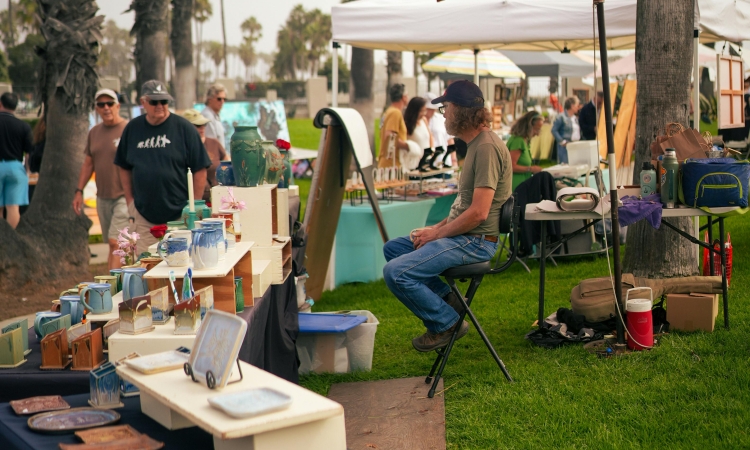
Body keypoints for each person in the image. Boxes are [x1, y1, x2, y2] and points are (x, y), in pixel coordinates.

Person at [382, 80, 512, 352]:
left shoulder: (486, 147)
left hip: (476, 241)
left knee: (396, 272)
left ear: (463, 111)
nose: (443, 115)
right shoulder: (476, 144)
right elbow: (464, 206)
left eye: (446, 108)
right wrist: (434, 229)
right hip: (466, 236)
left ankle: (446, 322)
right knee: (394, 249)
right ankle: (449, 300)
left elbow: (478, 213)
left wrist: (438, 233)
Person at [114, 80, 211, 255]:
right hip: (144, 216)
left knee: (181, 263)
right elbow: (124, 166)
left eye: (164, 101)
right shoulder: (133, 129)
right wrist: (130, 202)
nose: (160, 106)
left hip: (180, 215)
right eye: (154, 102)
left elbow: (200, 168)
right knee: (147, 264)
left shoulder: (184, 129)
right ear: (143, 103)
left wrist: (193, 206)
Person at [73, 89, 129, 269]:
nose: (106, 108)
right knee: (115, 245)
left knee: (116, 242)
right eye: (101, 104)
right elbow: (88, 164)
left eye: (110, 103)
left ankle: (113, 288)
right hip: (103, 197)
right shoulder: (94, 132)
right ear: (96, 108)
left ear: (118, 106)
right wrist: (79, 191)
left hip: (125, 196)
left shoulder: (129, 129)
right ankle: (125, 281)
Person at [181, 109, 228, 202]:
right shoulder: (179, 147)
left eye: (204, 124)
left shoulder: (214, 143)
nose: (202, 128)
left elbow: (227, 163)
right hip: (188, 201)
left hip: (215, 199)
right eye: (198, 125)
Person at [0, 92, 32, 229]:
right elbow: (30, 151)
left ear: (0, 104)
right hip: (16, 167)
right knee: (13, 208)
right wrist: (27, 170)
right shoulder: (24, 126)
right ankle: (13, 242)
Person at [507, 111, 543, 190]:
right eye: (536, 129)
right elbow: (511, 166)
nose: (537, 134)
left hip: (523, 186)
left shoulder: (525, 141)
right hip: (515, 187)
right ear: (529, 126)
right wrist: (530, 169)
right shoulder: (518, 141)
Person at [378, 83, 410, 168]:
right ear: (403, 97)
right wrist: (408, 146)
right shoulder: (395, 113)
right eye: (407, 95)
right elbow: (389, 136)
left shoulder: (388, 111)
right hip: (391, 165)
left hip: (388, 163)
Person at [424, 93, 455, 168]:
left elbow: (450, 140)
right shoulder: (418, 121)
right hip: (425, 164)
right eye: (428, 109)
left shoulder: (441, 119)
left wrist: (454, 160)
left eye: (432, 109)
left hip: (441, 162)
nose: (430, 111)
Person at [404, 96, 433, 171]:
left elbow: (430, 136)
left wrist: (432, 151)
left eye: (425, 111)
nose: (424, 113)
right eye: (421, 111)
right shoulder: (406, 124)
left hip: (427, 162)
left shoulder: (424, 120)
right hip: (414, 164)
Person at [551, 96, 582, 164]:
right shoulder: (561, 117)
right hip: (565, 147)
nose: (578, 107)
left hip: (575, 145)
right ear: (572, 106)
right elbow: (554, 130)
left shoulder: (575, 118)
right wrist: (562, 141)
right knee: (565, 166)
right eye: (577, 105)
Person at [200, 83, 227, 147]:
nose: (222, 101)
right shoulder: (207, 116)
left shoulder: (215, 115)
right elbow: (211, 144)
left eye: (224, 99)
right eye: (219, 99)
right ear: (210, 99)